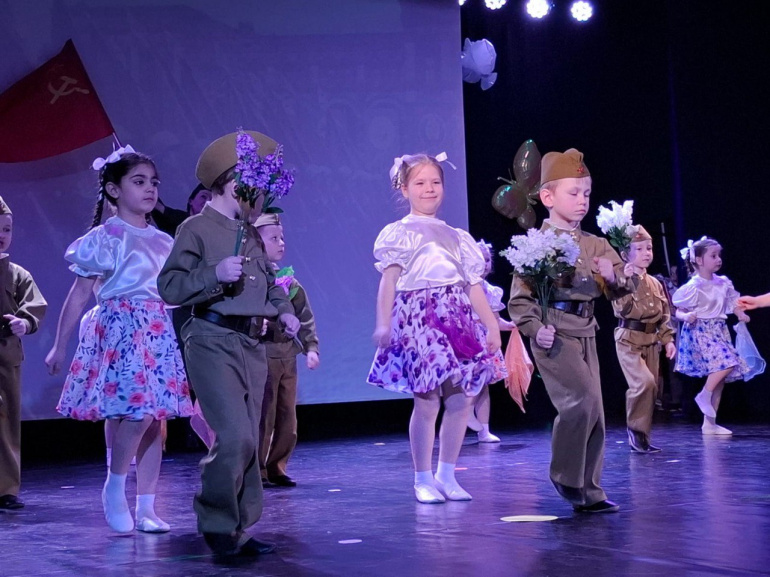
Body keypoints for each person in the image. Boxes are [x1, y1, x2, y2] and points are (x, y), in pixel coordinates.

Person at [157, 130, 299, 558]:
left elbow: (269, 284)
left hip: (251, 344)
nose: (259, 193)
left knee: (250, 439)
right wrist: (213, 275)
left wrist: (284, 311)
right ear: (229, 182)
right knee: (235, 435)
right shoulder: (196, 229)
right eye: (251, 182)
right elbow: (169, 286)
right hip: (210, 339)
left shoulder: (250, 232)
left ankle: (239, 528)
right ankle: (216, 521)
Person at [45, 147, 193, 533]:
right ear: (114, 190)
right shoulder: (106, 236)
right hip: (121, 329)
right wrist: (60, 344)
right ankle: (114, 487)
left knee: (154, 418)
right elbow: (79, 293)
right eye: (139, 182)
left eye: (154, 182)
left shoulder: (163, 241)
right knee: (136, 412)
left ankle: (146, 507)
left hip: (156, 329)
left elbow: (171, 291)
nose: (150, 189)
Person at [368, 152, 502, 504]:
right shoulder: (400, 233)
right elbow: (388, 281)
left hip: (456, 319)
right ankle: (422, 478)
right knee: (427, 401)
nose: (429, 189)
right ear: (404, 188)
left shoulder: (457, 236)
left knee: (461, 399)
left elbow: (473, 286)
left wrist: (491, 326)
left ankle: (446, 474)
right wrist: (383, 323)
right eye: (420, 183)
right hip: (420, 319)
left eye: (435, 182)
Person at [508, 149, 635, 514]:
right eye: (573, 193)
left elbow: (623, 287)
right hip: (555, 332)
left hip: (587, 330)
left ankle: (590, 490)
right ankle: (565, 475)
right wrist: (535, 330)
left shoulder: (596, 243)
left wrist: (614, 277)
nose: (582, 200)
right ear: (548, 197)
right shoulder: (536, 245)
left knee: (595, 410)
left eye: (586, 193)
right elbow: (520, 300)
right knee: (581, 401)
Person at [255, 213, 320, 488]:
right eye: (273, 238)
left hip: (287, 356)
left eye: (282, 238)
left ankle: (277, 466)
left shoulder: (289, 283)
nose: (281, 243)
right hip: (263, 355)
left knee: (287, 417)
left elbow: (304, 316)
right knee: (263, 415)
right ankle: (257, 468)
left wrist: (311, 347)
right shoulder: (253, 280)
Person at [672, 236, 749, 435]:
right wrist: (686, 316)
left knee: (720, 379)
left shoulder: (723, 283)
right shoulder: (693, 286)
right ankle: (703, 395)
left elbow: (732, 302)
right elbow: (678, 310)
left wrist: (740, 313)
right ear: (699, 260)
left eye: (719, 255)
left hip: (719, 330)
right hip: (701, 331)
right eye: (713, 256)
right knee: (728, 362)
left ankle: (709, 424)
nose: (718, 259)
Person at [611, 226, 676, 453]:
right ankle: (636, 431)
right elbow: (621, 309)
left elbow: (664, 314)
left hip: (651, 341)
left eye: (648, 248)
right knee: (644, 383)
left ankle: (643, 437)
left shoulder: (656, 283)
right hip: (629, 340)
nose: (646, 253)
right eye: (638, 249)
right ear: (625, 254)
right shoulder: (621, 280)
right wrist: (625, 280)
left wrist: (668, 340)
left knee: (653, 389)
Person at [0, 196, 47, 511]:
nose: (2, 234)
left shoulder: (17, 274)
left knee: (6, 422)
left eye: (6, 229)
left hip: (6, 354)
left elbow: (34, 304)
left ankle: (6, 488)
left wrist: (24, 322)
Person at [466, 239, 517, 443]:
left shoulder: (491, 290)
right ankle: (465, 412)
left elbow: (495, 321)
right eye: (480, 259)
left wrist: (509, 325)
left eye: (487, 260)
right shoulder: (464, 287)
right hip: (469, 339)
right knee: (472, 380)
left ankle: (484, 430)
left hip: (486, 339)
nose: (485, 264)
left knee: (484, 384)